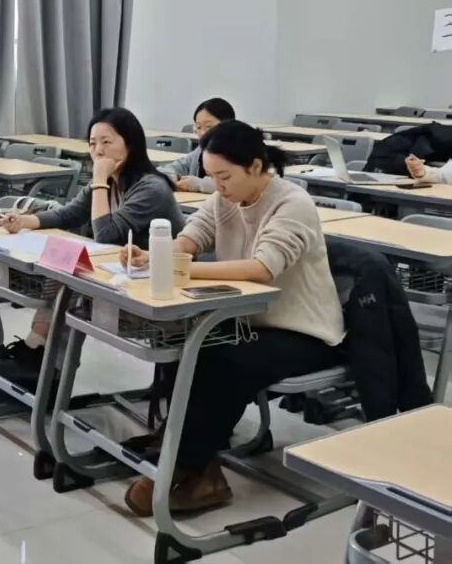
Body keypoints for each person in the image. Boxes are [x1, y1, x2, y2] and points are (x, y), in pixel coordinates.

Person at [120, 120, 345, 516]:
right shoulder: (226, 198)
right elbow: (192, 237)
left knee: (225, 360)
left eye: (224, 176)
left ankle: (182, 464)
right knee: (188, 341)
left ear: (255, 166)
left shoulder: (292, 203)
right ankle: (198, 464)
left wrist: (182, 269)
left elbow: (262, 268)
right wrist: (155, 255)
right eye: (211, 177)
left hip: (304, 331)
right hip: (251, 321)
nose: (217, 186)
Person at [0, 107, 187, 389]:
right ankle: (36, 354)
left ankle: (44, 367)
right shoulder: (108, 181)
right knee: (66, 274)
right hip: (125, 277)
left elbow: (104, 234)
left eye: (107, 142)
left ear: (130, 143)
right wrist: (24, 221)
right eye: (92, 144)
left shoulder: (151, 188)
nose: (98, 151)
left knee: (72, 286)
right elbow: (68, 214)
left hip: (161, 289)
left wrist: (100, 180)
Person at [161, 97, 236, 193]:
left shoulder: (238, 152)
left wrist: (198, 184)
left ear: (228, 125)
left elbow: (236, 183)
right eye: (199, 127)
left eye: (209, 126)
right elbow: (166, 169)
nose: (202, 133)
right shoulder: (200, 152)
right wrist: (171, 177)